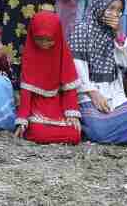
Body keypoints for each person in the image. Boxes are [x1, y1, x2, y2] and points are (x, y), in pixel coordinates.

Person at [71, 0, 127, 146]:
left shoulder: (114, 32)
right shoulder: (82, 29)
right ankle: (108, 135)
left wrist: (119, 33)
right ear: (99, 6)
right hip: (88, 92)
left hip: (113, 91)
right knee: (98, 129)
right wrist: (93, 93)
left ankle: (104, 135)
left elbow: (126, 63)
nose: (115, 14)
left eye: (119, 10)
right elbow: (77, 69)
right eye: (111, 8)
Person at [14, 12, 81, 145]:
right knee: (37, 132)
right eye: (39, 39)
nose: (44, 43)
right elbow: (26, 93)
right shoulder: (31, 55)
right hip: (37, 105)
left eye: (49, 39)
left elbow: (69, 87)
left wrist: (72, 114)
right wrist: (22, 120)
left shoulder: (63, 53)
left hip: (58, 105)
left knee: (74, 134)